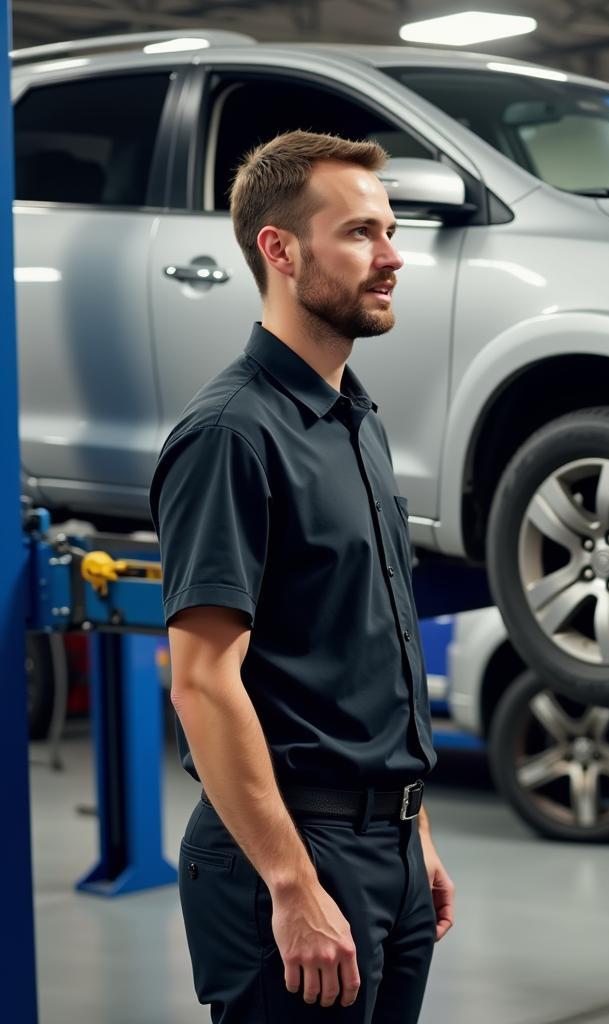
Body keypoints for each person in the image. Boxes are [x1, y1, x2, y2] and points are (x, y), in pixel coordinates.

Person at [150, 130, 454, 1023]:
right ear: (279, 250)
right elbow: (203, 683)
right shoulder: (231, 435)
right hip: (291, 852)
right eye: (361, 232)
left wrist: (415, 831)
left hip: (386, 848)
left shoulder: (356, 422)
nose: (393, 256)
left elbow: (368, 654)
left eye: (390, 229)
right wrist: (290, 883)